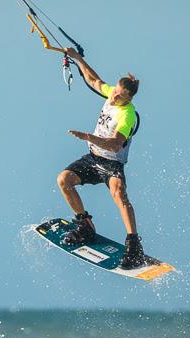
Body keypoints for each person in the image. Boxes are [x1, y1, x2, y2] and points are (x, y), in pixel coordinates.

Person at [56, 47, 144, 269]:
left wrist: (87, 136)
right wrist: (77, 58)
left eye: (120, 96)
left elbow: (115, 144)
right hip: (92, 158)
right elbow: (93, 80)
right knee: (64, 180)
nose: (114, 96)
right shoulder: (112, 93)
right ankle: (85, 226)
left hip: (112, 163)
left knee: (119, 194)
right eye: (115, 91)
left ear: (129, 98)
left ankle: (134, 245)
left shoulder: (128, 114)